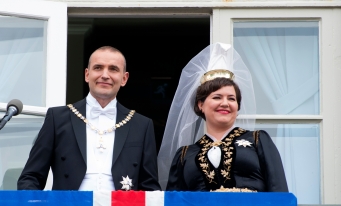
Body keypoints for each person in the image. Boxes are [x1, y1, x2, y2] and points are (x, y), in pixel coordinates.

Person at [18, 46, 161, 191]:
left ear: (124, 78)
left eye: (113, 69)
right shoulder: (58, 118)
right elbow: (31, 177)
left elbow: (149, 187)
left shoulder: (142, 125)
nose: (105, 75)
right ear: (87, 75)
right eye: (98, 68)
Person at [158, 42, 288, 192]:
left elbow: (279, 191)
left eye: (232, 99)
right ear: (201, 104)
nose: (225, 103)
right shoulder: (185, 154)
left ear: (238, 107)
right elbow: (175, 204)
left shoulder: (258, 140)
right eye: (217, 97)